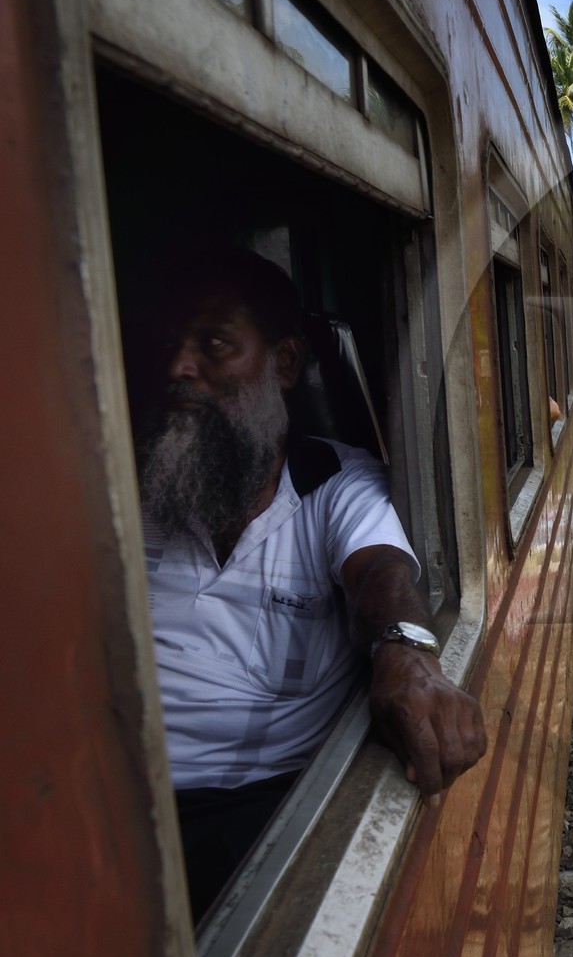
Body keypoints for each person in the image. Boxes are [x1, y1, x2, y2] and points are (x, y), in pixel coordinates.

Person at [133, 247, 487, 920]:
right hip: (106, 796)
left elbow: (381, 568)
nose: (180, 366)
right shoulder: (136, 485)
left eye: (213, 344)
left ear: (285, 363)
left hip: (259, 813)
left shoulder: (334, 484)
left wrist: (407, 655)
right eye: (172, 345)